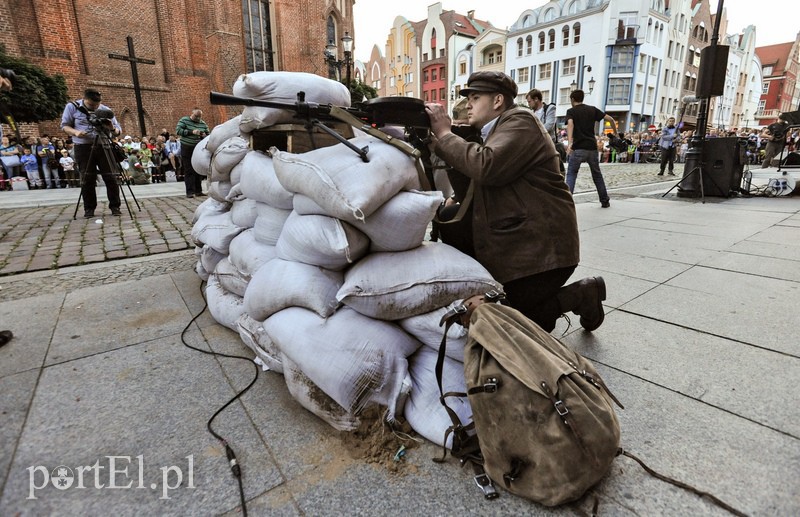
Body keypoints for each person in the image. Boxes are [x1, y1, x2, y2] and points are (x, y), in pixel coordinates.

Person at [425, 71, 607, 333]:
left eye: (475, 98)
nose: (468, 105)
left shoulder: (521, 121)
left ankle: (583, 293)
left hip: (543, 250)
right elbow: (470, 196)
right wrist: (450, 142)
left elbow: (486, 165)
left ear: (498, 100)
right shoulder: (494, 131)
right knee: (452, 216)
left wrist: (444, 134)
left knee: (508, 321)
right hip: (521, 244)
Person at [61, 87, 123, 218]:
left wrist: (111, 128)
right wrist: (76, 132)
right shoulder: (72, 107)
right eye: (91, 104)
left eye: (97, 105)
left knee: (111, 176)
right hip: (83, 146)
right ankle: (89, 208)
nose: (94, 107)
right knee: (87, 178)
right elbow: (65, 125)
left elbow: (118, 130)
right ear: (84, 99)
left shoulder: (105, 110)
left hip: (103, 145)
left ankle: (115, 206)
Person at [565, 89, 618, 207]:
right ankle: (604, 201)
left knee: (572, 174)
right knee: (597, 175)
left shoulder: (571, 111)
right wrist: (615, 133)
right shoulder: (592, 109)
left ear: (572, 99)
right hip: (592, 148)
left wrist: (569, 143)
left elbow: (570, 124)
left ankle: (567, 203)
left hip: (578, 147)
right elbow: (610, 119)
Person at [526, 88, 565, 172]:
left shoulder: (550, 108)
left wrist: (534, 132)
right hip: (536, 145)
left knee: (553, 169)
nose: (528, 104)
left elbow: (549, 125)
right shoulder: (531, 112)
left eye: (529, 102)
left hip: (549, 144)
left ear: (536, 99)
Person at [175, 108, 209, 198]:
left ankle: (198, 191)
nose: (197, 118)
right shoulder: (184, 120)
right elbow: (178, 131)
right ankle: (190, 191)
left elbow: (208, 134)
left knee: (198, 169)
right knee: (189, 169)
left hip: (197, 148)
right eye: (196, 116)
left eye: (199, 117)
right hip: (187, 147)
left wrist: (203, 135)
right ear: (192, 113)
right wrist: (191, 132)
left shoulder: (203, 123)